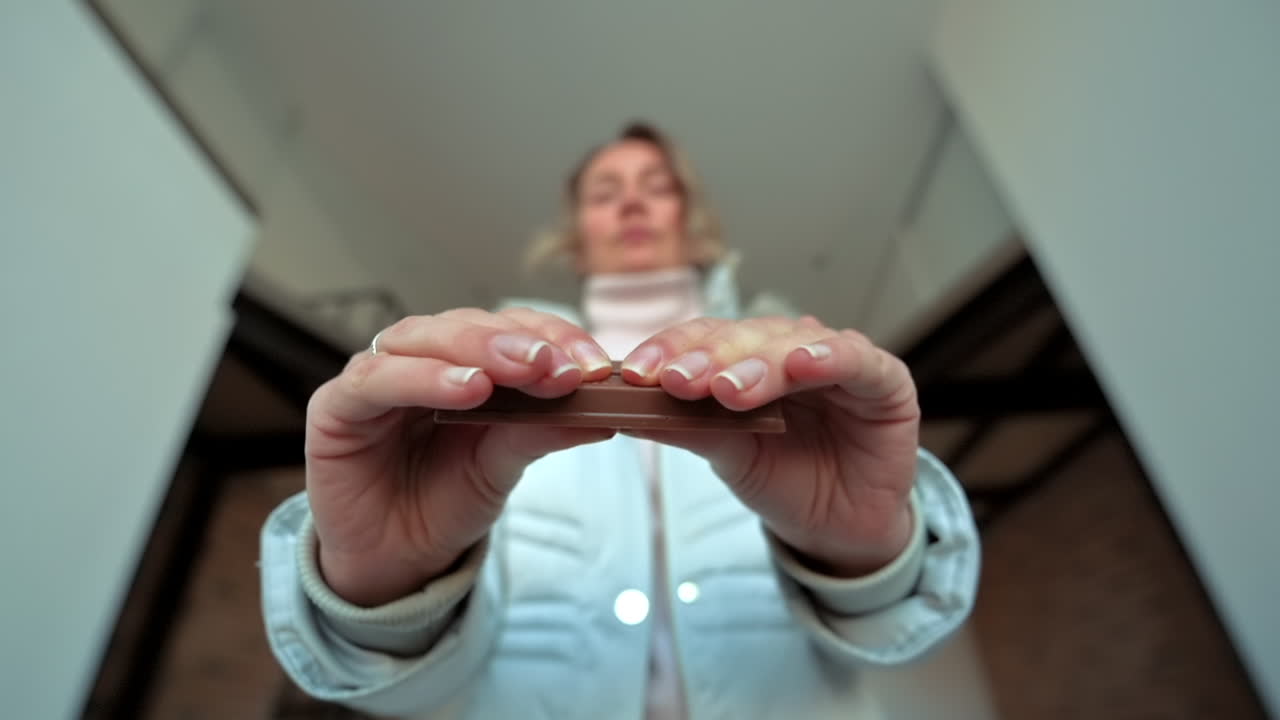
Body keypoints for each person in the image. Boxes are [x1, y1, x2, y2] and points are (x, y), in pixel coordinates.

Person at [260, 122, 980, 719]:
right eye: (606, 193)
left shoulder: (796, 372)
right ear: (575, 236)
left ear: (693, 223)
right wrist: (386, 586)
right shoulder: (485, 382)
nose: (632, 206)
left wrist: (863, 556)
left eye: (656, 188)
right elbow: (426, 691)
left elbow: (891, 646)